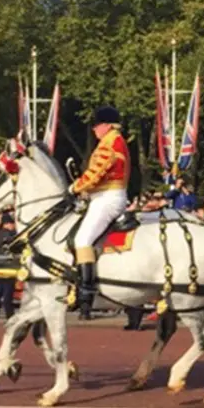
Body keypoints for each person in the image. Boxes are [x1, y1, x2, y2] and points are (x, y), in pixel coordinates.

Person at [69, 106, 130, 314]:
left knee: (82, 240)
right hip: (104, 196)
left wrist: (75, 187)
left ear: (106, 125)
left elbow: (96, 173)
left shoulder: (109, 142)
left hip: (108, 198)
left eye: (96, 125)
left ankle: (86, 292)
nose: (94, 129)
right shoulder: (114, 140)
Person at [0, 213, 17, 321]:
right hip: (8, 266)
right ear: (8, 224)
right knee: (7, 292)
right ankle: (9, 314)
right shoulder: (11, 235)